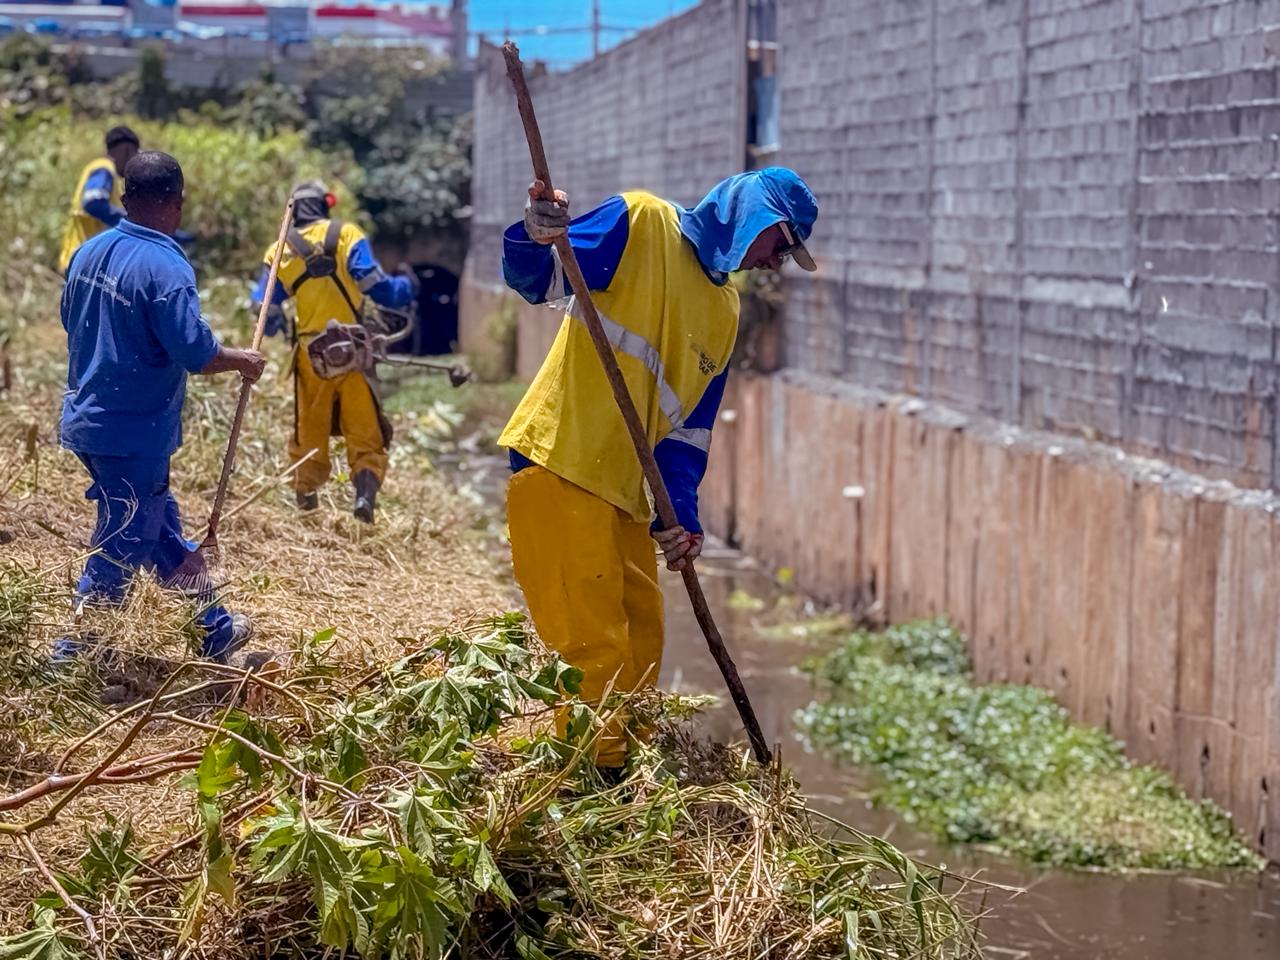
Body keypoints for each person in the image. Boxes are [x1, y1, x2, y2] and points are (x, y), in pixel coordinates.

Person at [499, 167, 819, 766]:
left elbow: (687, 433)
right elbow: (536, 278)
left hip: (622, 488)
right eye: (782, 245)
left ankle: (622, 778)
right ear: (756, 218)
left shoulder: (724, 310)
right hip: (561, 460)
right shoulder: (641, 220)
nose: (777, 264)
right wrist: (534, 231)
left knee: (643, 643)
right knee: (594, 651)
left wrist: (680, 517)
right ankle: (594, 793)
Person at [56, 151, 265, 663]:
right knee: (127, 537)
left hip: (87, 418)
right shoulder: (167, 267)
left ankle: (214, 628)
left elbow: (68, 319)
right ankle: (73, 654)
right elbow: (194, 352)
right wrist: (243, 360)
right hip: (132, 430)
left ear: (125, 200)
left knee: (157, 523)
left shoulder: (89, 252)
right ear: (177, 202)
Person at [250, 181, 417, 523]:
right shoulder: (347, 233)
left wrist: (275, 326)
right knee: (364, 428)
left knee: (308, 431)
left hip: (311, 354)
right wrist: (406, 288)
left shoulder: (280, 249)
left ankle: (307, 508)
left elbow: (262, 306)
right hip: (353, 348)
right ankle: (364, 497)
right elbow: (373, 283)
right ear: (326, 205)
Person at [58, 126, 140, 275]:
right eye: (134, 154)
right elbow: (93, 203)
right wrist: (132, 223)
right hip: (84, 262)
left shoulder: (110, 177)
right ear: (128, 150)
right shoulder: (104, 169)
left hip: (84, 261)